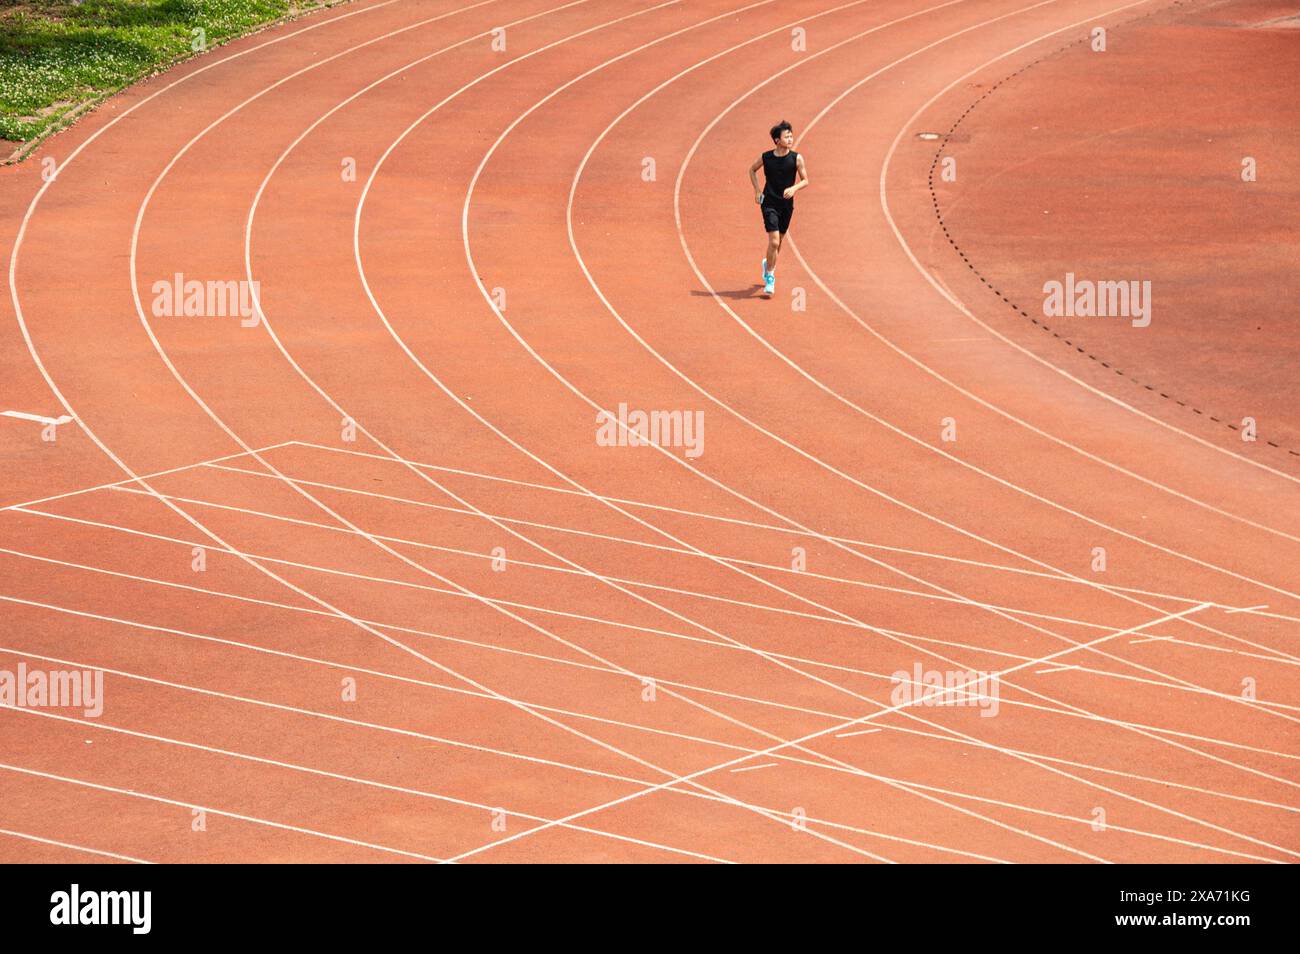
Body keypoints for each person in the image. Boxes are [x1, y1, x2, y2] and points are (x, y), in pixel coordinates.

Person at [747, 119, 808, 297]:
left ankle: (768, 264)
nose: (790, 139)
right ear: (776, 140)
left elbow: (806, 180)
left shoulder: (796, 158)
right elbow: (751, 170)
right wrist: (757, 191)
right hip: (770, 203)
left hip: (787, 205)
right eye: (786, 136)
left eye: (791, 136)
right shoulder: (766, 157)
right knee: (774, 241)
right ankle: (770, 277)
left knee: (778, 243)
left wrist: (794, 188)